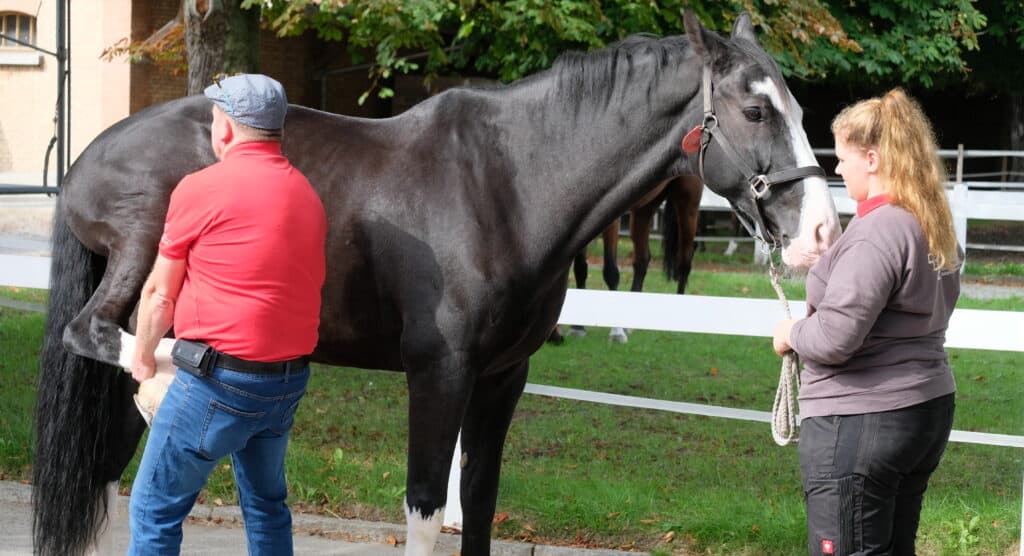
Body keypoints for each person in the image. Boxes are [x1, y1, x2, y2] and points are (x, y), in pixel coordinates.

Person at [128, 73, 327, 555]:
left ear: (226, 128)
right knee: (266, 505)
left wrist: (142, 362)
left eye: (215, 116)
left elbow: (158, 294)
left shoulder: (202, 188)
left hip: (217, 385)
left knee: (153, 507)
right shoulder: (308, 195)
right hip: (285, 386)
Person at [772, 88, 961, 556]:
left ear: (872, 159)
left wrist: (789, 334)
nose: (837, 169)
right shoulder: (928, 221)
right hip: (922, 409)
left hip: (861, 421)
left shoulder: (877, 232)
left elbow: (836, 337)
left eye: (842, 158)